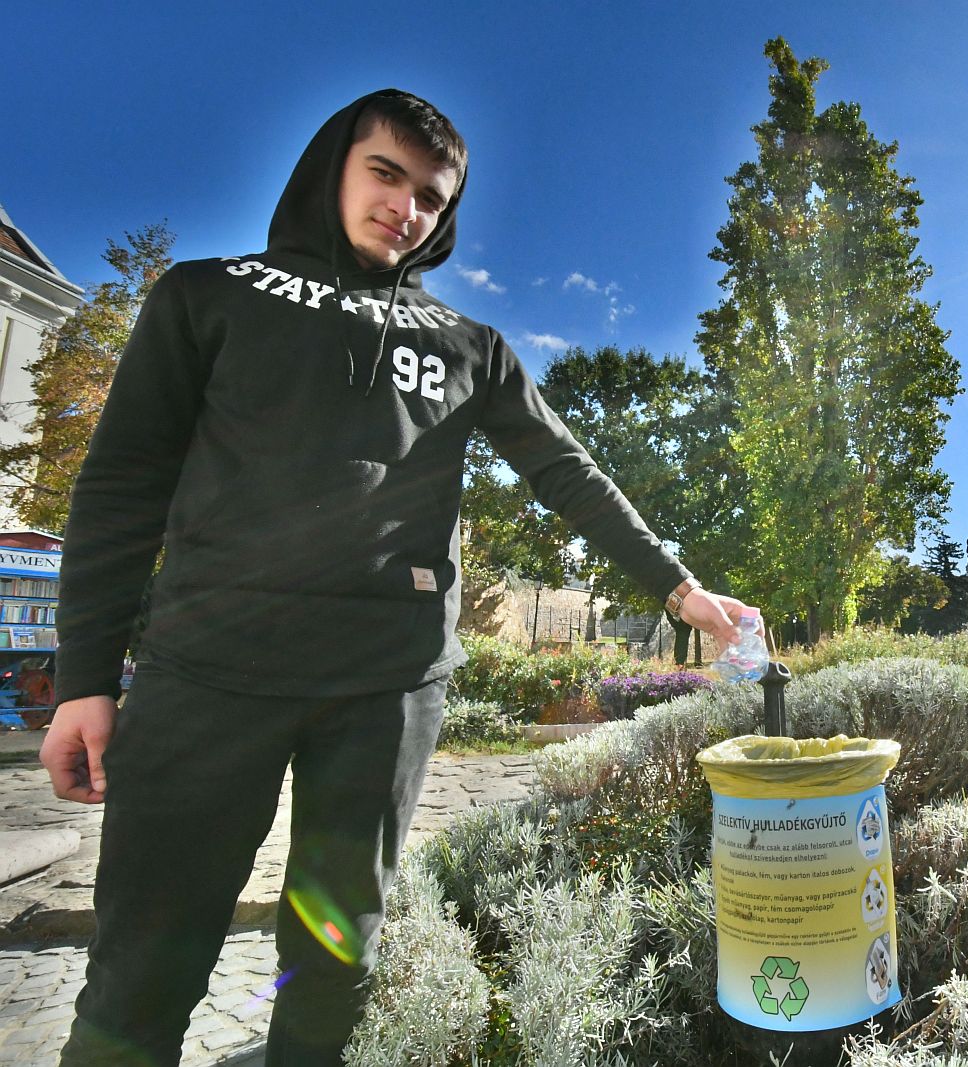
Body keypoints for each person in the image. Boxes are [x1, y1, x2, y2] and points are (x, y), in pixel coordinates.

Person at [40, 89, 756, 1065]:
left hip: (386, 687)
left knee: (336, 966)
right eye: (386, 173)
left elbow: (566, 472)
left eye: (431, 194)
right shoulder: (209, 295)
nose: (406, 206)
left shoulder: (469, 348)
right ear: (334, 164)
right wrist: (84, 675)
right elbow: (123, 482)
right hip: (207, 671)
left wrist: (681, 590)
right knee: (140, 970)